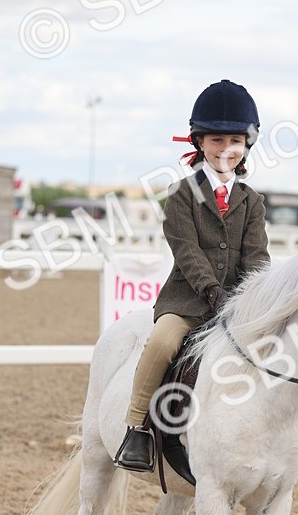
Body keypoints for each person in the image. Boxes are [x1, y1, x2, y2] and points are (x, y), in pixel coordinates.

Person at [114, 79, 270, 476]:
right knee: (163, 341)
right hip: (188, 300)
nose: (225, 149)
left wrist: (256, 295)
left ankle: (293, 438)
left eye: (235, 140)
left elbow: (256, 255)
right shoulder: (181, 194)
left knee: (275, 344)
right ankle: (137, 428)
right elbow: (185, 250)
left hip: (236, 304)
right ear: (199, 143)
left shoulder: (252, 201)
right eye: (216, 140)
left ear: (246, 145)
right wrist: (212, 289)